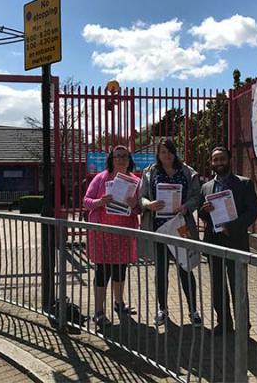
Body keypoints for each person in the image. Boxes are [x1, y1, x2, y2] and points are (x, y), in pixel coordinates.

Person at [139, 139, 202, 327]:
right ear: (158, 154)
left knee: (185, 268)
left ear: (175, 153)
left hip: (180, 226)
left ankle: (193, 310)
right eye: (163, 152)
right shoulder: (150, 173)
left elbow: (196, 197)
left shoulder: (187, 172)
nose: (167, 155)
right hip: (159, 229)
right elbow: (141, 197)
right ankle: (162, 309)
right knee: (161, 270)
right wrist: (148, 205)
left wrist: (186, 207)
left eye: (170, 151)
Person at [198, 146, 257, 335]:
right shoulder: (206, 187)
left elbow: (252, 212)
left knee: (238, 285)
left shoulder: (244, 183)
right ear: (211, 163)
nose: (218, 163)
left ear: (229, 160)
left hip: (236, 241)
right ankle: (223, 322)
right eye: (215, 160)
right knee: (218, 286)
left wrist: (232, 227)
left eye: (222, 158)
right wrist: (203, 211)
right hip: (214, 242)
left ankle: (243, 326)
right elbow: (203, 215)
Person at [83, 145, 141, 327]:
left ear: (129, 159)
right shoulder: (101, 178)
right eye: (117, 156)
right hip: (102, 234)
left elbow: (139, 209)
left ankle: (119, 303)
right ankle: (99, 311)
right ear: (111, 159)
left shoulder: (135, 181)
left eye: (124, 156)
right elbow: (86, 201)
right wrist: (100, 201)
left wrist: (134, 205)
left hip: (123, 234)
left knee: (120, 272)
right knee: (102, 273)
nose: (121, 159)